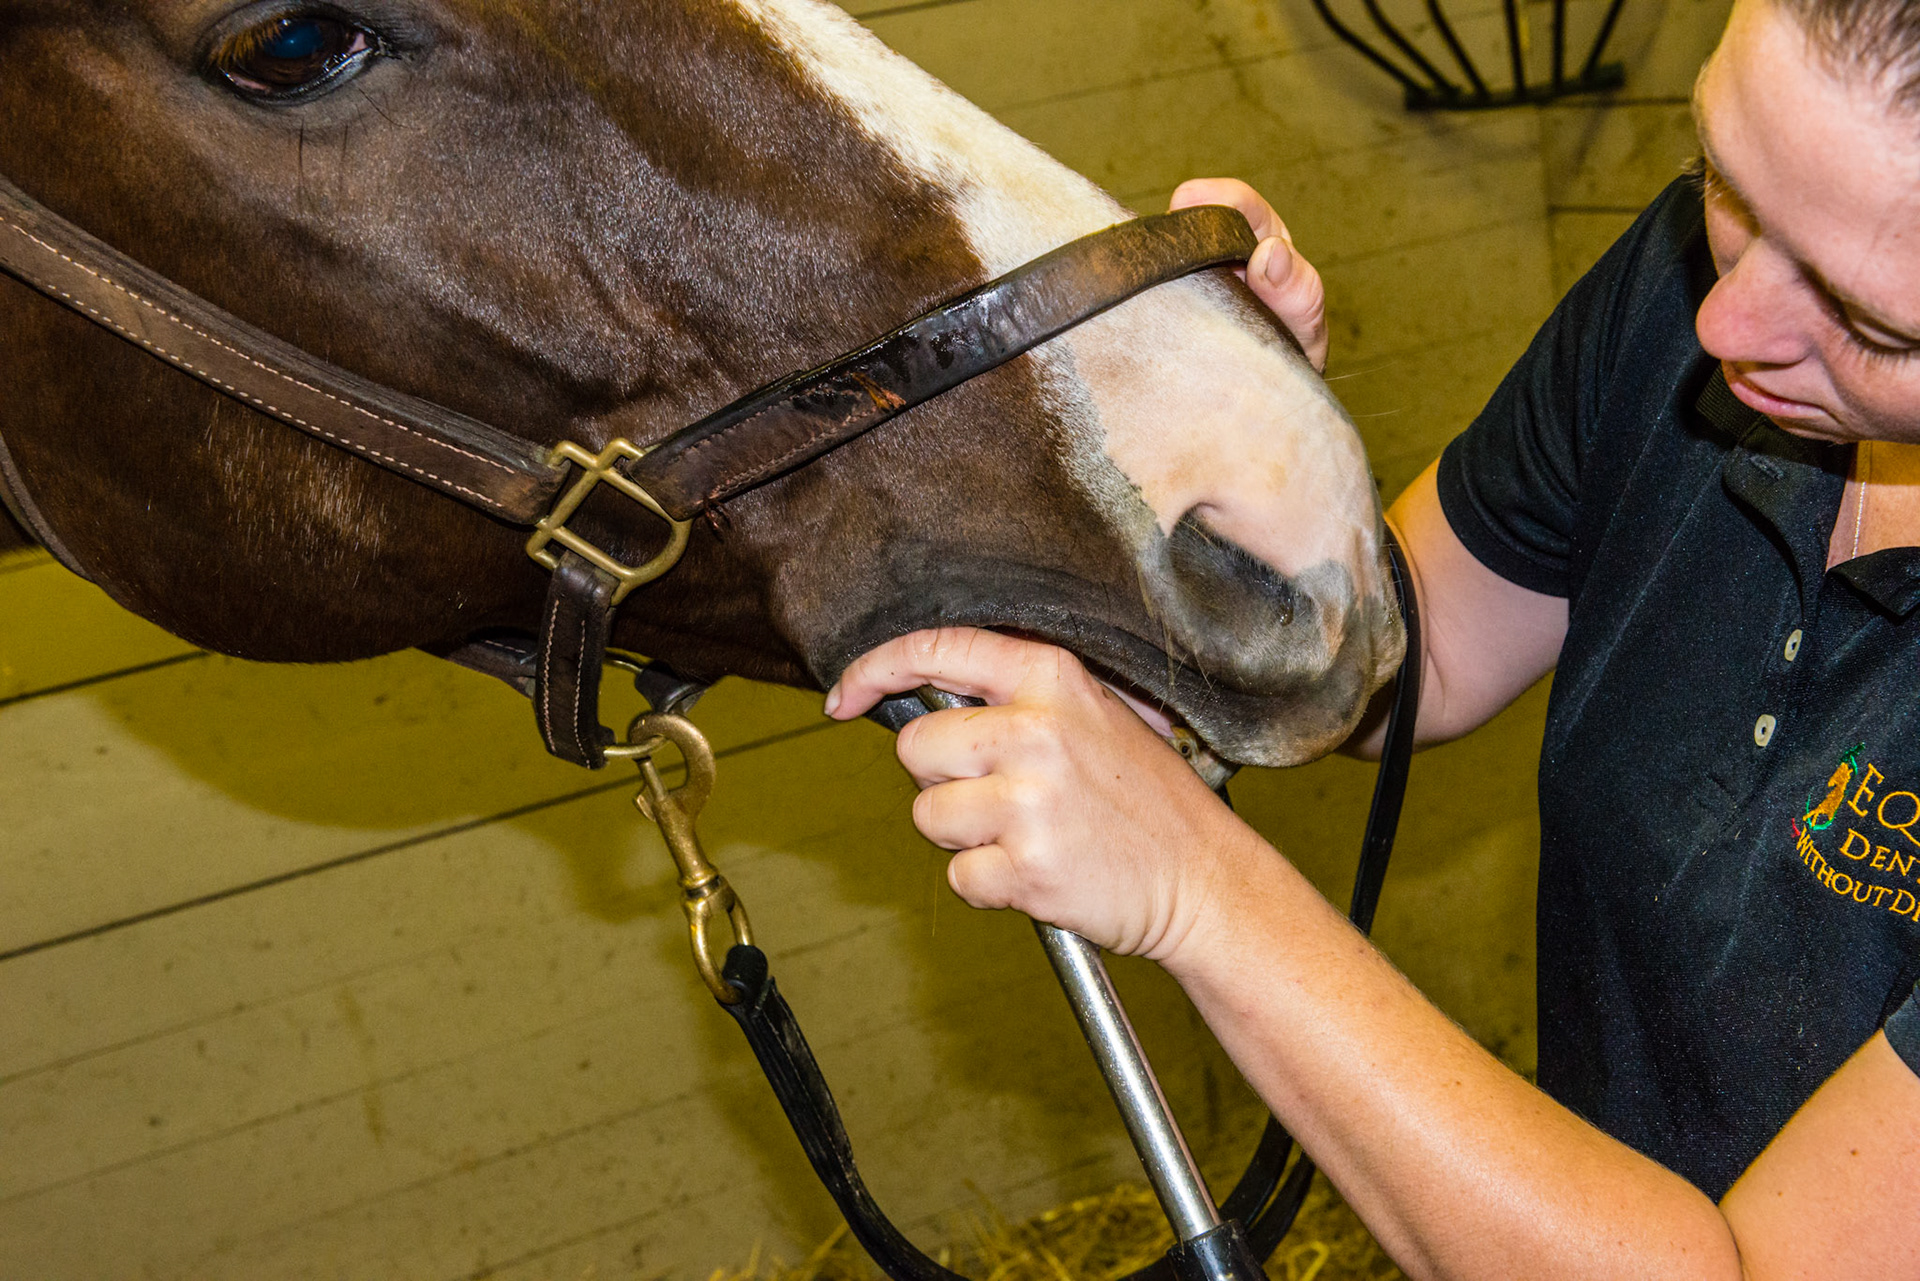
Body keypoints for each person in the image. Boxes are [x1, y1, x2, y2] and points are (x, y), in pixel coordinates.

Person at [822, 0, 1920, 1275]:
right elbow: (1412, 661)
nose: (1728, 326)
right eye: (1723, 180)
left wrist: (1201, 890)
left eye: (1873, 322)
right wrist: (1253, 493)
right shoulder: (1696, 290)